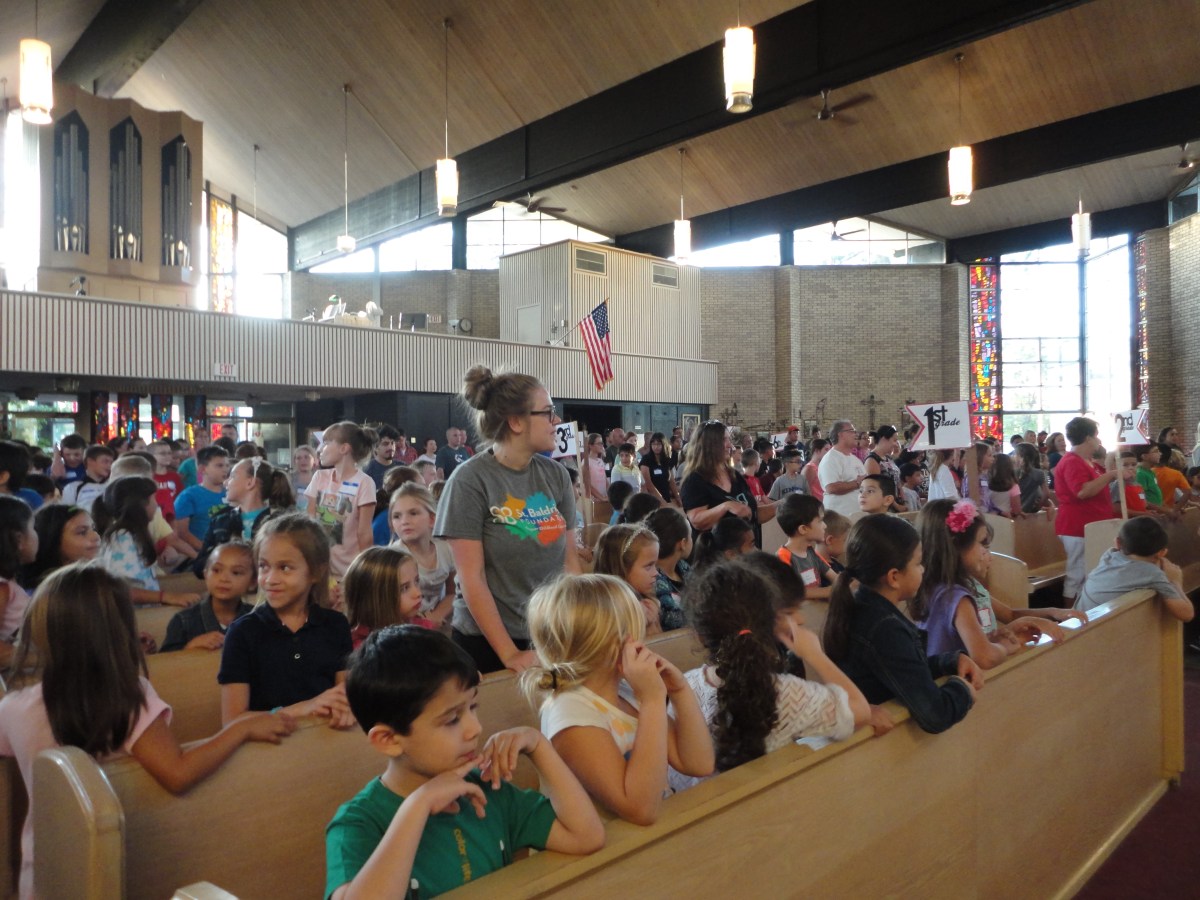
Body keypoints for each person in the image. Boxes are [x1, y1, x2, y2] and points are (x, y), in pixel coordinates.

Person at [0, 564, 294, 898]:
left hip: (43, 868)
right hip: (109, 863)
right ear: (118, 631)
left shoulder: (14, 706)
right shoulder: (125, 697)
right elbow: (177, 773)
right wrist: (240, 728)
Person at [324, 626, 604, 899]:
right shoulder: (358, 823)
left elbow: (586, 837)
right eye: (452, 719)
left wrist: (539, 746)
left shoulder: (486, 789)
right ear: (388, 740)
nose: (475, 729)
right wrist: (417, 806)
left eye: (472, 707)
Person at [523, 574, 714, 824]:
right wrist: (653, 701)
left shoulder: (625, 692)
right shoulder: (570, 714)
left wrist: (679, 690)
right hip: (614, 844)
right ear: (607, 643)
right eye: (633, 631)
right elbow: (639, 809)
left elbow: (699, 763)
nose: (639, 641)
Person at [669, 559, 870, 791]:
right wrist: (815, 655)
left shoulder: (685, 686)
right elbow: (860, 712)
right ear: (769, 622)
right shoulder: (786, 693)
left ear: (700, 636)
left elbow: (678, 776)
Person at [435, 366, 579, 674]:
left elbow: (570, 563)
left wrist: (578, 625)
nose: (556, 422)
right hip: (487, 643)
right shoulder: (470, 481)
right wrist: (510, 654)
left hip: (550, 633)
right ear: (516, 422)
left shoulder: (556, 475)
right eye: (548, 413)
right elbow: (472, 578)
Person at [823, 515, 983, 734]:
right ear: (894, 577)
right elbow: (935, 714)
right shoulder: (884, 628)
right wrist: (962, 689)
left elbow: (907, 671)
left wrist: (949, 661)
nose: (923, 569)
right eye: (917, 563)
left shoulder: (865, 605)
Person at [218, 514, 355, 726]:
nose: (270, 579)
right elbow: (232, 721)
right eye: (264, 566)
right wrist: (304, 708)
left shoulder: (335, 625)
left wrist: (345, 711)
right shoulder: (242, 633)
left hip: (324, 738)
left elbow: (344, 696)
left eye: (284, 568)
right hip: (266, 743)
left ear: (316, 572)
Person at [912, 500, 1068, 670]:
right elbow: (984, 658)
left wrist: (999, 637)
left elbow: (967, 645)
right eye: (982, 544)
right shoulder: (956, 598)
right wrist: (1004, 647)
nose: (989, 555)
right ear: (955, 546)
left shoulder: (937, 588)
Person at [94, 476, 199, 607]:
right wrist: (166, 597)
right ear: (140, 505)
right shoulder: (122, 539)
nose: (157, 505)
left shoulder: (133, 534)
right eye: (153, 499)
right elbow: (120, 590)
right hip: (137, 615)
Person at [1075, 516, 1195, 621]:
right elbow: (1187, 614)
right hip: (1095, 629)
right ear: (1162, 553)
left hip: (1076, 620)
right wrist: (1176, 581)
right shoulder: (1153, 574)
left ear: (1117, 543)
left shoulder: (1109, 555)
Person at [1053, 418, 1120, 605]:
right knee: (1077, 574)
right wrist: (1111, 475)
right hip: (1077, 526)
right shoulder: (1072, 461)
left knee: (1089, 572)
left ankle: (1086, 611)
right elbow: (1082, 491)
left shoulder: (1087, 461)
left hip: (1091, 526)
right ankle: (1070, 616)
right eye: (1096, 436)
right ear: (1088, 438)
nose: (1099, 441)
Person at [194, 457, 294, 575]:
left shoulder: (279, 522)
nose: (225, 482)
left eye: (233, 476)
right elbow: (199, 567)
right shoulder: (221, 519)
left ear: (250, 483)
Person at [305, 421, 377, 579]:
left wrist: (366, 571)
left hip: (349, 572)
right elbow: (309, 522)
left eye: (326, 443)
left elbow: (364, 533)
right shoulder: (319, 477)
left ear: (344, 448)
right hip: (320, 569)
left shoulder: (364, 482)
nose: (319, 449)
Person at [680, 420, 768, 548]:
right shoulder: (694, 480)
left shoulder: (735, 476)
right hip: (715, 553)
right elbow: (697, 521)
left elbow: (752, 513)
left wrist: (782, 506)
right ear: (709, 445)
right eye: (724, 440)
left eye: (729, 439)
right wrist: (726, 506)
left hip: (745, 551)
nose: (730, 445)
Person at [161, 542, 257, 652]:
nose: (224, 579)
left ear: (253, 582)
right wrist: (190, 646)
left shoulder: (258, 619)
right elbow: (164, 660)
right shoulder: (183, 621)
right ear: (205, 574)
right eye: (216, 570)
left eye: (236, 572)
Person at [388, 482, 456, 633]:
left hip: (438, 622)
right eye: (397, 516)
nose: (404, 521)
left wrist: (437, 616)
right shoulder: (394, 557)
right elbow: (390, 608)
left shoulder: (446, 549)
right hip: (406, 627)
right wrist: (424, 623)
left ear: (432, 519)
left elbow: (453, 591)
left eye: (413, 513)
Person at [342, 545, 430, 649]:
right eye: (404, 588)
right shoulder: (364, 650)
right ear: (376, 599)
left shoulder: (421, 627)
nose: (418, 593)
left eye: (416, 581)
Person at [593, 524, 663, 635]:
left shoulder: (650, 602)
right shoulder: (606, 615)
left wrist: (654, 624)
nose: (656, 573)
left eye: (655, 565)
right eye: (649, 566)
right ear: (622, 568)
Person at [173, 446, 231, 554]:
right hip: (201, 553)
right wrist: (207, 550)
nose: (225, 469)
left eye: (227, 465)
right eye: (219, 465)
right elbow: (182, 532)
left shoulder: (231, 493)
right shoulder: (188, 496)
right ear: (202, 469)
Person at [0, 496, 36, 666]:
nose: (36, 535)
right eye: (33, 528)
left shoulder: (10, 583)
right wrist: (48, 661)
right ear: (18, 539)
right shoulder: (2, 588)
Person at [644, 506, 692, 632]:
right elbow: (672, 620)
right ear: (682, 543)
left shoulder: (682, 567)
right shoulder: (654, 580)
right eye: (690, 536)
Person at [817, 421, 867, 518]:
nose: (856, 434)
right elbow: (831, 487)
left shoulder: (855, 460)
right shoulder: (831, 459)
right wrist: (857, 483)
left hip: (858, 516)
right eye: (852, 431)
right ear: (841, 434)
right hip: (840, 517)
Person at [60, 444, 115, 512]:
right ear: (90, 461)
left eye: (111, 462)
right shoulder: (72, 488)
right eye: (105, 461)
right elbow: (67, 513)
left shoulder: (113, 487)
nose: (110, 466)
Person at [864, 425, 906, 511]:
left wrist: (903, 500)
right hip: (885, 506)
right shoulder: (872, 460)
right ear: (884, 439)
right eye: (894, 440)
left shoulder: (888, 458)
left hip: (897, 502)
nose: (896, 444)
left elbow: (897, 481)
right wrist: (896, 506)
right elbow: (878, 487)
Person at [148, 440, 185, 522]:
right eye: (163, 454)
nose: (168, 456)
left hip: (173, 517)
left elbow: (180, 497)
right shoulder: (148, 477)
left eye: (169, 453)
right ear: (151, 456)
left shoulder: (175, 476)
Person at [639, 432, 680, 504]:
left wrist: (677, 497)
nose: (656, 447)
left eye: (658, 444)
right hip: (652, 501)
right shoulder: (646, 460)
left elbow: (671, 480)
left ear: (664, 445)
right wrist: (662, 501)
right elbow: (648, 483)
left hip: (666, 498)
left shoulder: (667, 460)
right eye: (653, 444)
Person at [1013, 443, 1052, 515]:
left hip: (1016, 512)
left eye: (1015, 454)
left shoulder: (1013, 472)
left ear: (1021, 456)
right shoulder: (1039, 473)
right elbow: (1046, 493)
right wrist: (1038, 506)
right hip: (1031, 511)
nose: (1013, 457)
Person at [1152, 442, 1192, 510]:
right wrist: (1176, 509)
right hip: (1168, 509)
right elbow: (1188, 492)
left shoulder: (1148, 472)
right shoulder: (1176, 474)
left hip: (1151, 510)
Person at [985, 453, 1022, 518]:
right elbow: (1016, 510)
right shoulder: (1013, 486)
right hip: (1005, 519)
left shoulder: (985, 482)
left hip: (987, 518)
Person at [581, 432, 609, 502]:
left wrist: (609, 495)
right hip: (593, 500)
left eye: (602, 443)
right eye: (599, 443)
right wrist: (601, 498)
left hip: (604, 498)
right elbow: (586, 483)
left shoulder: (600, 461)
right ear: (591, 446)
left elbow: (605, 480)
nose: (601, 446)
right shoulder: (586, 462)